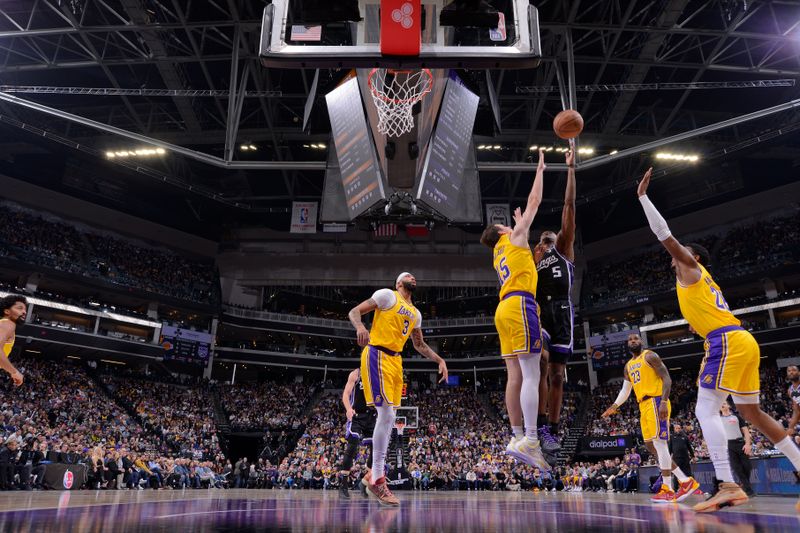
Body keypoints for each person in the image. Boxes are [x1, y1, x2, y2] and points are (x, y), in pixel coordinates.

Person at [635, 167, 800, 513]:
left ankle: (727, 485)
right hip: (738, 339)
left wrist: (644, 198)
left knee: (704, 408)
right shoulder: (695, 285)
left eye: (683, 252)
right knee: (752, 414)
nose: (674, 256)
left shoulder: (691, 269)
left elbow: (664, 234)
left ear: (693, 257)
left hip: (727, 341)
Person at [348, 272, 448, 506]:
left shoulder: (416, 313)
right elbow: (354, 311)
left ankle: (373, 473)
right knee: (387, 414)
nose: (412, 276)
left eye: (414, 275)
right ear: (398, 283)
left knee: (391, 417)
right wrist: (361, 327)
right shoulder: (387, 296)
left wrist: (439, 360)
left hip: (396, 361)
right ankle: (378, 479)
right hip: (377, 353)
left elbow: (420, 344)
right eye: (407, 275)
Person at [479, 148, 548, 471]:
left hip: (503, 309)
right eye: (504, 225)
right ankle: (532, 440)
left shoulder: (499, 253)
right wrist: (540, 170)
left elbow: (520, 244)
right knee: (532, 373)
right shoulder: (514, 238)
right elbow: (534, 203)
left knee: (515, 375)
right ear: (503, 232)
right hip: (521, 304)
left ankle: (516, 435)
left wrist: (520, 228)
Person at [601, 333, 700, 503]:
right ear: (627, 344)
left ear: (641, 341)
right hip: (643, 406)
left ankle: (668, 488)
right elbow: (626, 391)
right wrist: (614, 406)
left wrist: (663, 401)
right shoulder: (628, 366)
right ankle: (685, 481)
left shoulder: (650, 356)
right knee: (649, 445)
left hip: (655, 401)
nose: (633, 341)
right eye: (630, 340)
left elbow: (667, 378)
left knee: (660, 444)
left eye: (636, 339)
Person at [534, 145, 576, 462]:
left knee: (558, 375)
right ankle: (536, 427)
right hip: (538, 314)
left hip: (561, 311)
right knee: (542, 363)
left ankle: (552, 428)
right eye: (543, 241)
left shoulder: (562, 250)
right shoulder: (531, 264)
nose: (547, 242)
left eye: (550, 239)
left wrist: (571, 170)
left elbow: (569, 205)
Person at [337, 368, 375, 499]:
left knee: (376, 450)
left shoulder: (377, 373)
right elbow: (346, 394)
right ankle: (343, 485)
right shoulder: (356, 374)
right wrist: (348, 409)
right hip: (356, 415)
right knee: (352, 447)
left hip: (372, 415)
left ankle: (364, 483)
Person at [720, 401, 755, 497]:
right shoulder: (717, 420)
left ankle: (744, 486)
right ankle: (749, 491)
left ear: (729, 406)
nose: (722, 405)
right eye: (720, 404)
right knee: (737, 469)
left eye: (724, 403)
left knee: (747, 466)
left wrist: (747, 444)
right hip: (728, 445)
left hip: (740, 443)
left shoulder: (737, 417)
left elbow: (746, 431)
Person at [0, 294, 26, 387]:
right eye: (20, 308)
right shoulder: (8, 324)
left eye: (25, 309)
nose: (24, 312)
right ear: (7, 311)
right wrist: (15, 372)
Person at [787, 366, 800, 437]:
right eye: (789, 371)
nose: (791, 372)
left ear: (799, 373)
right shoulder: (790, 391)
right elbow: (797, 411)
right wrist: (791, 427)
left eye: (794, 370)